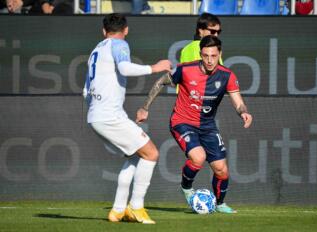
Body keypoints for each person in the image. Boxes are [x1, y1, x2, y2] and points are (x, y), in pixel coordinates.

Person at [136, 35, 253, 214]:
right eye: (205, 55)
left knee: (221, 169)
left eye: (213, 56)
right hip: (182, 122)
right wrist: (145, 107)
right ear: (200, 54)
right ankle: (187, 187)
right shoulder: (185, 69)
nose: (209, 60)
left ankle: (220, 204)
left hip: (207, 126)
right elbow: (161, 82)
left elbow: (238, 101)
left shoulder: (227, 75)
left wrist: (243, 112)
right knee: (198, 158)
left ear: (220, 54)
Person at [83, 13, 171, 224]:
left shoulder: (96, 50)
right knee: (151, 154)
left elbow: (86, 91)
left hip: (96, 116)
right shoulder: (119, 43)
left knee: (135, 156)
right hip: (109, 116)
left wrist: (98, 110)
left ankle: (118, 210)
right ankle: (137, 208)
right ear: (126, 30)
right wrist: (155, 68)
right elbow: (124, 68)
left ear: (103, 31)